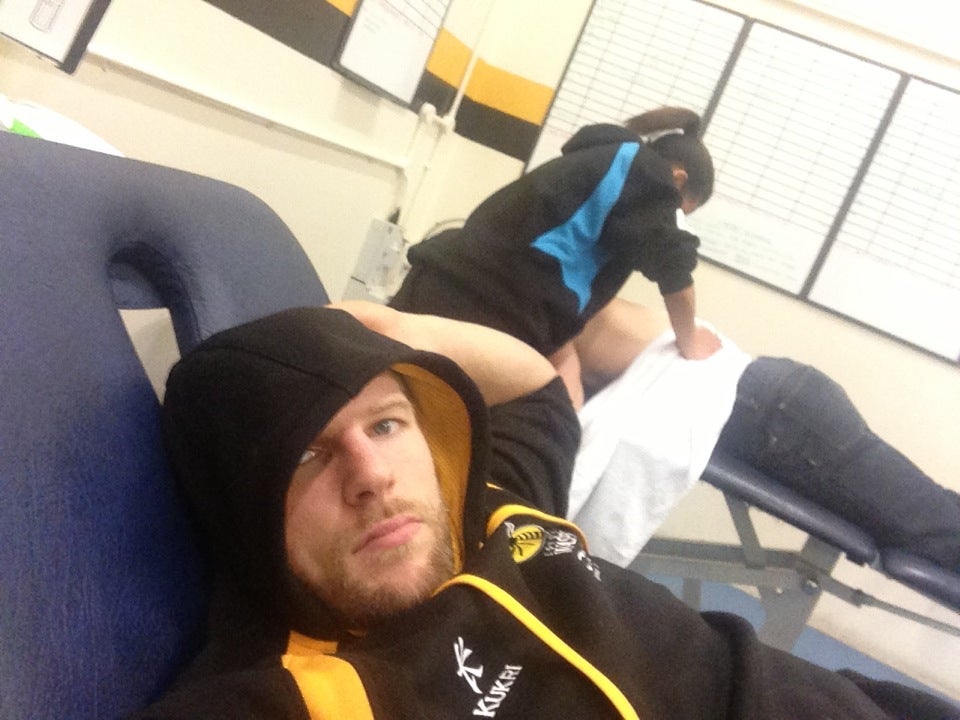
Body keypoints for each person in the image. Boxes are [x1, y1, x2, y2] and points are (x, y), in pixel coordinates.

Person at [131, 301, 958, 718]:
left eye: (386, 423)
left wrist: (381, 329)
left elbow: (533, 386)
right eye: (308, 454)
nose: (373, 476)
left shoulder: (481, 507)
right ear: (241, 506)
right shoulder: (301, 694)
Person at [570, 297, 960, 574]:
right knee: (930, 521)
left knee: (934, 527)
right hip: (778, 406)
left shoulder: (557, 321)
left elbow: (561, 413)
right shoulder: (567, 304)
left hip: (778, 416)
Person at [389, 107, 722, 408]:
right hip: (482, 301)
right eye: (679, 209)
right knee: (552, 418)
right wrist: (690, 343)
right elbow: (675, 271)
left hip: (453, 279)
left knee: (568, 394)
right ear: (678, 178)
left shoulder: (607, 158)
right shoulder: (647, 175)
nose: (671, 217)